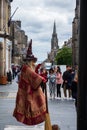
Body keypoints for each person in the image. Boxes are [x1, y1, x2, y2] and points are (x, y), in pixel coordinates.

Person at [13, 39, 47, 125]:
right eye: (33, 62)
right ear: (30, 61)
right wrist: (42, 79)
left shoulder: (25, 68)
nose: (34, 63)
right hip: (29, 93)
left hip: (25, 91)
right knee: (34, 105)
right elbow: (35, 78)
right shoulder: (27, 69)